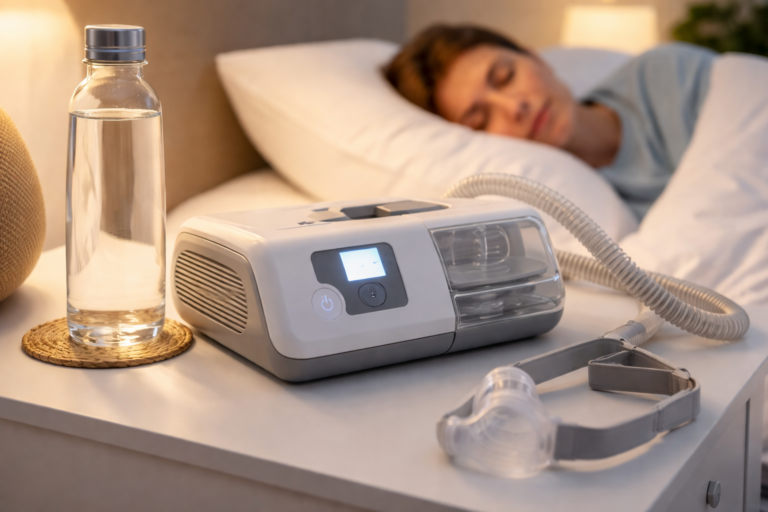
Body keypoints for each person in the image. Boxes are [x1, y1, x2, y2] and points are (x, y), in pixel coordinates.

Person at [384, 25, 716, 220]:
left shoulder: (669, 75)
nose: (516, 106)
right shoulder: (574, 211)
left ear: (536, 58)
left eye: (506, 76)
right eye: (481, 119)